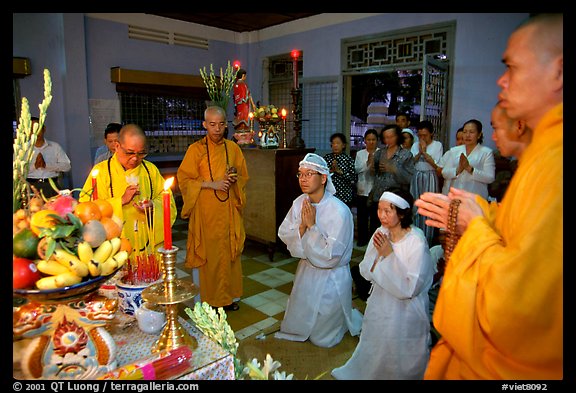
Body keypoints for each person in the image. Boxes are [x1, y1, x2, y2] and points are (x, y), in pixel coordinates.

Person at [415, 13, 563, 380]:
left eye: (511, 67)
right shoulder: (545, 151)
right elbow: (522, 234)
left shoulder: (556, 159)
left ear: (558, 72)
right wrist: (479, 210)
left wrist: (476, 226)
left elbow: (521, 304)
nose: (501, 79)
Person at [332, 188, 433, 380]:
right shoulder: (380, 232)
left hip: (406, 309)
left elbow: (411, 288)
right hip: (381, 300)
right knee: (378, 343)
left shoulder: (416, 241)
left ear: (402, 213)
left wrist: (388, 255)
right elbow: (365, 270)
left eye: (388, 211)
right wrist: (379, 257)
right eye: (380, 209)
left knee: (400, 348)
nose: (382, 216)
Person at [274, 153, 362, 348]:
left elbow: (332, 256)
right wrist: (303, 228)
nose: (303, 179)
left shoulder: (339, 211)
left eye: (309, 174)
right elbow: (284, 232)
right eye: (300, 174)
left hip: (331, 277)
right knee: (298, 325)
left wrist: (313, 227)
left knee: (322, 339)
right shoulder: (299, 203)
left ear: (323, 178)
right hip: (307, 271)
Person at [177, 106, 249, 311]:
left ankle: (229, 298)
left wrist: (234, 177)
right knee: (209, 257)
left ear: (226, 124)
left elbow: (243, 176)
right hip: (206, 212)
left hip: (227, 211)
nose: (217, 129)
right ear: (204, 125)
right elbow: (184, 179)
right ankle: (208, 301)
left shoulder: (233, 148)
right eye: (212, 124)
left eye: (221, 124)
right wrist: (212, 183)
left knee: (229, 254)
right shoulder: (196, 149)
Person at [80, 124, 177, 252]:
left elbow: (168, 202)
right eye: (130, 153)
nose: (135, 158)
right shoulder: (101, 171)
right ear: (117, 146)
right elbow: (86, 209)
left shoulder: (150, 170)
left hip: (147, 248)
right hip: (113, 249)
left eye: (141, 153)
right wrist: (120, 201)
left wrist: (152, 206)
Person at [369, 124, 414, 237]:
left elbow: (409, 178)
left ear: (398, 137)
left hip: (396, 200)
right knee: (377, 229)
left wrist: (394, 169)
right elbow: (373, 175)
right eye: (386, 137)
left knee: (393, 230)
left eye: (391, 136)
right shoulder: (379, 153)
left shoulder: (406, 155)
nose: (388, 140)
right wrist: (372, 168)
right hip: (379, 197)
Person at [440, 119, 495, 200]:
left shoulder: (486, 152)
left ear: (479, 135)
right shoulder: (454, 151)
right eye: (465, 132)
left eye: (471, 132)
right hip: (455, 196)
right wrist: (458, 170)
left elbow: (490, 177)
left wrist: (470, 169)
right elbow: (444, 173)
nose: (467, 135)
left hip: (475, 198)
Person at [410, 120, 443, 245]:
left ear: (431, 134)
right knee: (416, 205)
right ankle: (415, 239)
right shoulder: (415, 145)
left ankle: (428, 240)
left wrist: (425, 152)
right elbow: (411, 161)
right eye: (420, 136)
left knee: (429, 207)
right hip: (417, 175)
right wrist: (419, 152)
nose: (422, 138)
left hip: (430, 176)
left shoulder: (437, 145)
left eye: (425, 135)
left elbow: (437, 164)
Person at [26, 117, 71, 198]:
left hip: (51, 186)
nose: (35, 132)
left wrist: (46, 165)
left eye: (38, 128)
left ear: (44, 129)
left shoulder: (55, 147)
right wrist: (34, 166)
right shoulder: (23, 149)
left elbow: (67, 166)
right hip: (30, 187)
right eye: (32, 129)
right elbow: (16, 170)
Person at [354, 129, 379, 247]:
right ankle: (362, 239)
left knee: (375, 217)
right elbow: (357, 169)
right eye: (369, 140)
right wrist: (367, 164)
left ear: (377, 141)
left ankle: (374, 241)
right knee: (362, 217)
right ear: (365, 141)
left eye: (373, 139)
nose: (371, 142)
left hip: (376, 190)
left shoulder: (381, 153)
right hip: (362, 189)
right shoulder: (360, 154)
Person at [323, 132, 357, 207]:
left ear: (343, 145)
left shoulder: (348, 159)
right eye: (333, 143)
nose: (335, 145)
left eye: (338, 143)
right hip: (329, 195)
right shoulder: (326, 158)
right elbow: (321, 176)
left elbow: (353, 179)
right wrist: (330, 171)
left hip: (344, 196)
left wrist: (340, 172)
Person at [437, 127, 464, 195]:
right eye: (458, 139)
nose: (460, 142)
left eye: (463, 139)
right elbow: (440, 170)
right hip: (447, 191)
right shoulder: (449, 153)